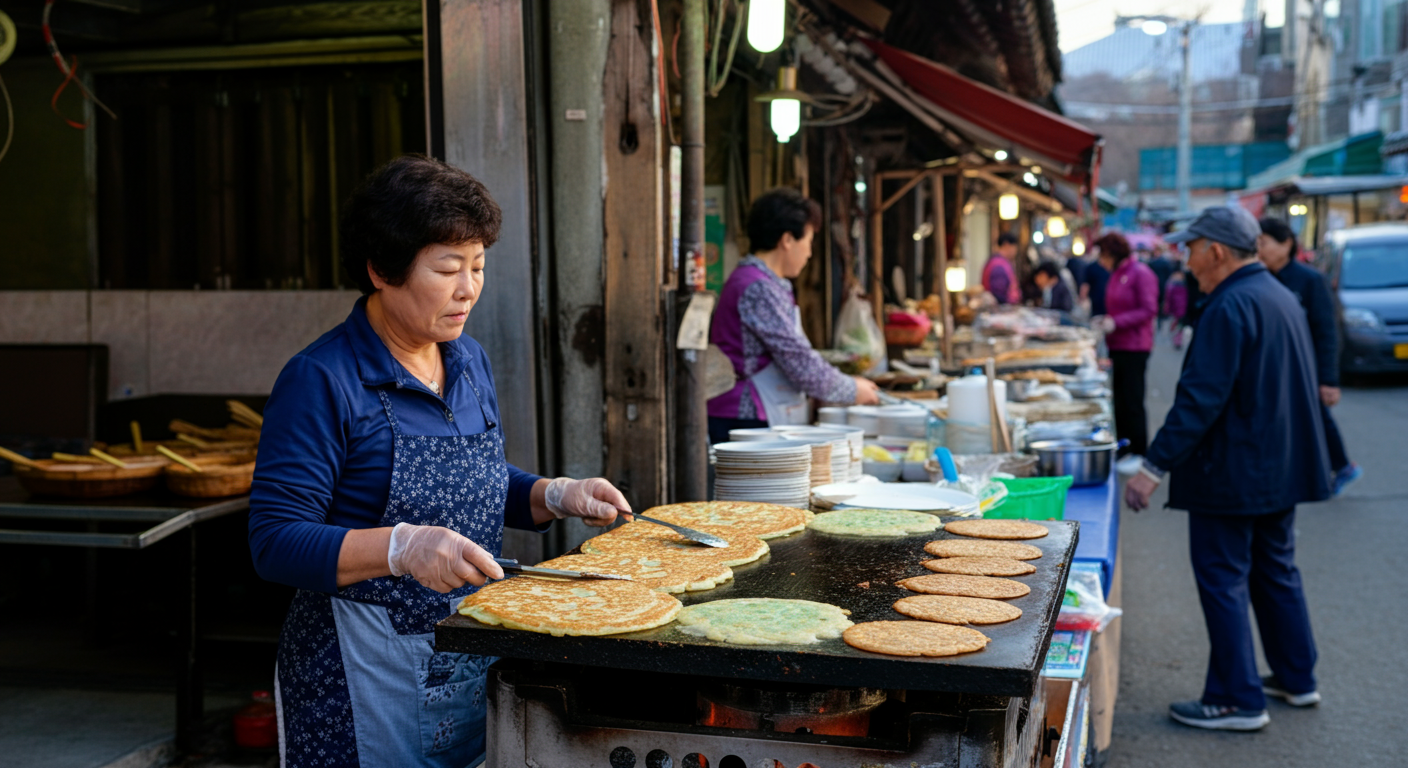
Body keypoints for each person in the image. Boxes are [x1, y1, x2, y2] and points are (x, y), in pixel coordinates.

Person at [248, 156, 633, 767]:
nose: (468, 289)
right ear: (381, 270)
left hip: (464, 654)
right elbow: (274, 540)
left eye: (478, 267)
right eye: (448, 268)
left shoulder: (467, 359)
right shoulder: (322, 379)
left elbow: (469, 484)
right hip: (360, 675)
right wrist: (400, 549)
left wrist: (552, 495)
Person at [1126, 205, 1329, 732]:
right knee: (1275, 570)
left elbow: (1199, 399)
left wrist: (1153, 466)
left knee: (1224, 578)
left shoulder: (1229, 304)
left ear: (1216, 250)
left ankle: (1237, 699)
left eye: (1190, 249)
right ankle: (1296, 677)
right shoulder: (1279, 295)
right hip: (1277, 465)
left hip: (1234, 468)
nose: (1186, 261)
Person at [708, 188, 879, 444]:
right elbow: (799, 362)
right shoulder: (757, 287)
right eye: (808, 241)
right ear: (787, 240)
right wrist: (852, 389)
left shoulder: (767, 283)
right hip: (747, 417)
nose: (809, 253)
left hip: (760, 414)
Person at [1258, 217, 1362, 495]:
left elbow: (1327, 332)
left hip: (1308, 364)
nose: (1259, 250)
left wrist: (1328, 379)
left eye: (1263, 243)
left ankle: (1340, 466)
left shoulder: (1310, 280)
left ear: (1286, 244)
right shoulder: (1263, 278)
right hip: (1278, 365)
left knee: (1316, 416)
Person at [1088, 233, 1158, 475]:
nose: (1100, 260)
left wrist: (1116, 322)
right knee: (1119, 400)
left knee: (1133, 400)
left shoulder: (1140, 272)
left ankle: (1140, 452)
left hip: (1135, 346)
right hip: (1117, 344)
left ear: (1112, 253)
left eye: (1102, 255)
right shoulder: (1117, 274)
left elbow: (1149, 309)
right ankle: (1125, 448)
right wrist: (1106, 321)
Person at [982, 232, 1021, 305]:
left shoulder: (1000, 262)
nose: (1015, 251)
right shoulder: (998, 265)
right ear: (1006, 245)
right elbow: (999, 295)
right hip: (1001, 312)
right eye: (1015, 247)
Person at [1163, 268, 1189, 348]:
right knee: (1179, 325)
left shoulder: (1172, 285)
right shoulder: (1183, 285)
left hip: (1178, 308)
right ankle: (1177, 340)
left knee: (1177, 325)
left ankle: (1177, 340)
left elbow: (1168, 298)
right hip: (1180, 308)